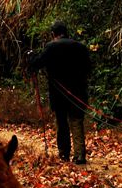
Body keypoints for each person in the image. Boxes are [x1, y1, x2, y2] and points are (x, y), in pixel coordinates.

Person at [27, 21, 91, 164]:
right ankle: (80, 155)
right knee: (76, 121)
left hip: (58, 93)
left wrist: (31, 57)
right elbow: (88, 68)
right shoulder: (80, 47)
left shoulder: (51, 47)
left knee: (62, 123)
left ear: (53, 34)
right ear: (66, 32)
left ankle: (64, 154)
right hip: (78, 92)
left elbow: (36, 65)